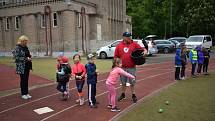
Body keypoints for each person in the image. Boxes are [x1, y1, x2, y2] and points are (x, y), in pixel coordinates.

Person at [114, 32, 147, 103]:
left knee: (132, 82)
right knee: (123, 82)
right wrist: (116, 63)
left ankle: (133, 95)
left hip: (131, 67)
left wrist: (145, 51)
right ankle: (123, 94)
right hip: (122, 68)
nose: (129, 38)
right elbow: (116, 56)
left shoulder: (134, 44)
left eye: (130, 36)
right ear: (124, 37)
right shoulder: (119, 46)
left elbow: (143, 49)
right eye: (128, 37)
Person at [12, 35, 32, 100]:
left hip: (27, 66)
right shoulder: (17, 48)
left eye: (26, 41)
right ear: (21, 41)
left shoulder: (26, 47)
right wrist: (26, 59)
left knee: (26, 80)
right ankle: (23, 94)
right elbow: (16, 57)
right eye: (25, 41)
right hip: (21, 67)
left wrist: (29, 57)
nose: (26, 43)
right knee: (23, 80)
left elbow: (27, 54)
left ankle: (26, 93)